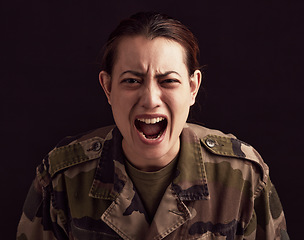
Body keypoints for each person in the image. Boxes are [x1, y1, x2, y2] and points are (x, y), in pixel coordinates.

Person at [17, 12, 289, 240]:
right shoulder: (60, 178)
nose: (150, 99)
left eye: (168, 81)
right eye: (132, 81)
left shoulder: (243, 176)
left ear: (192, 87)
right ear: (108, 87)